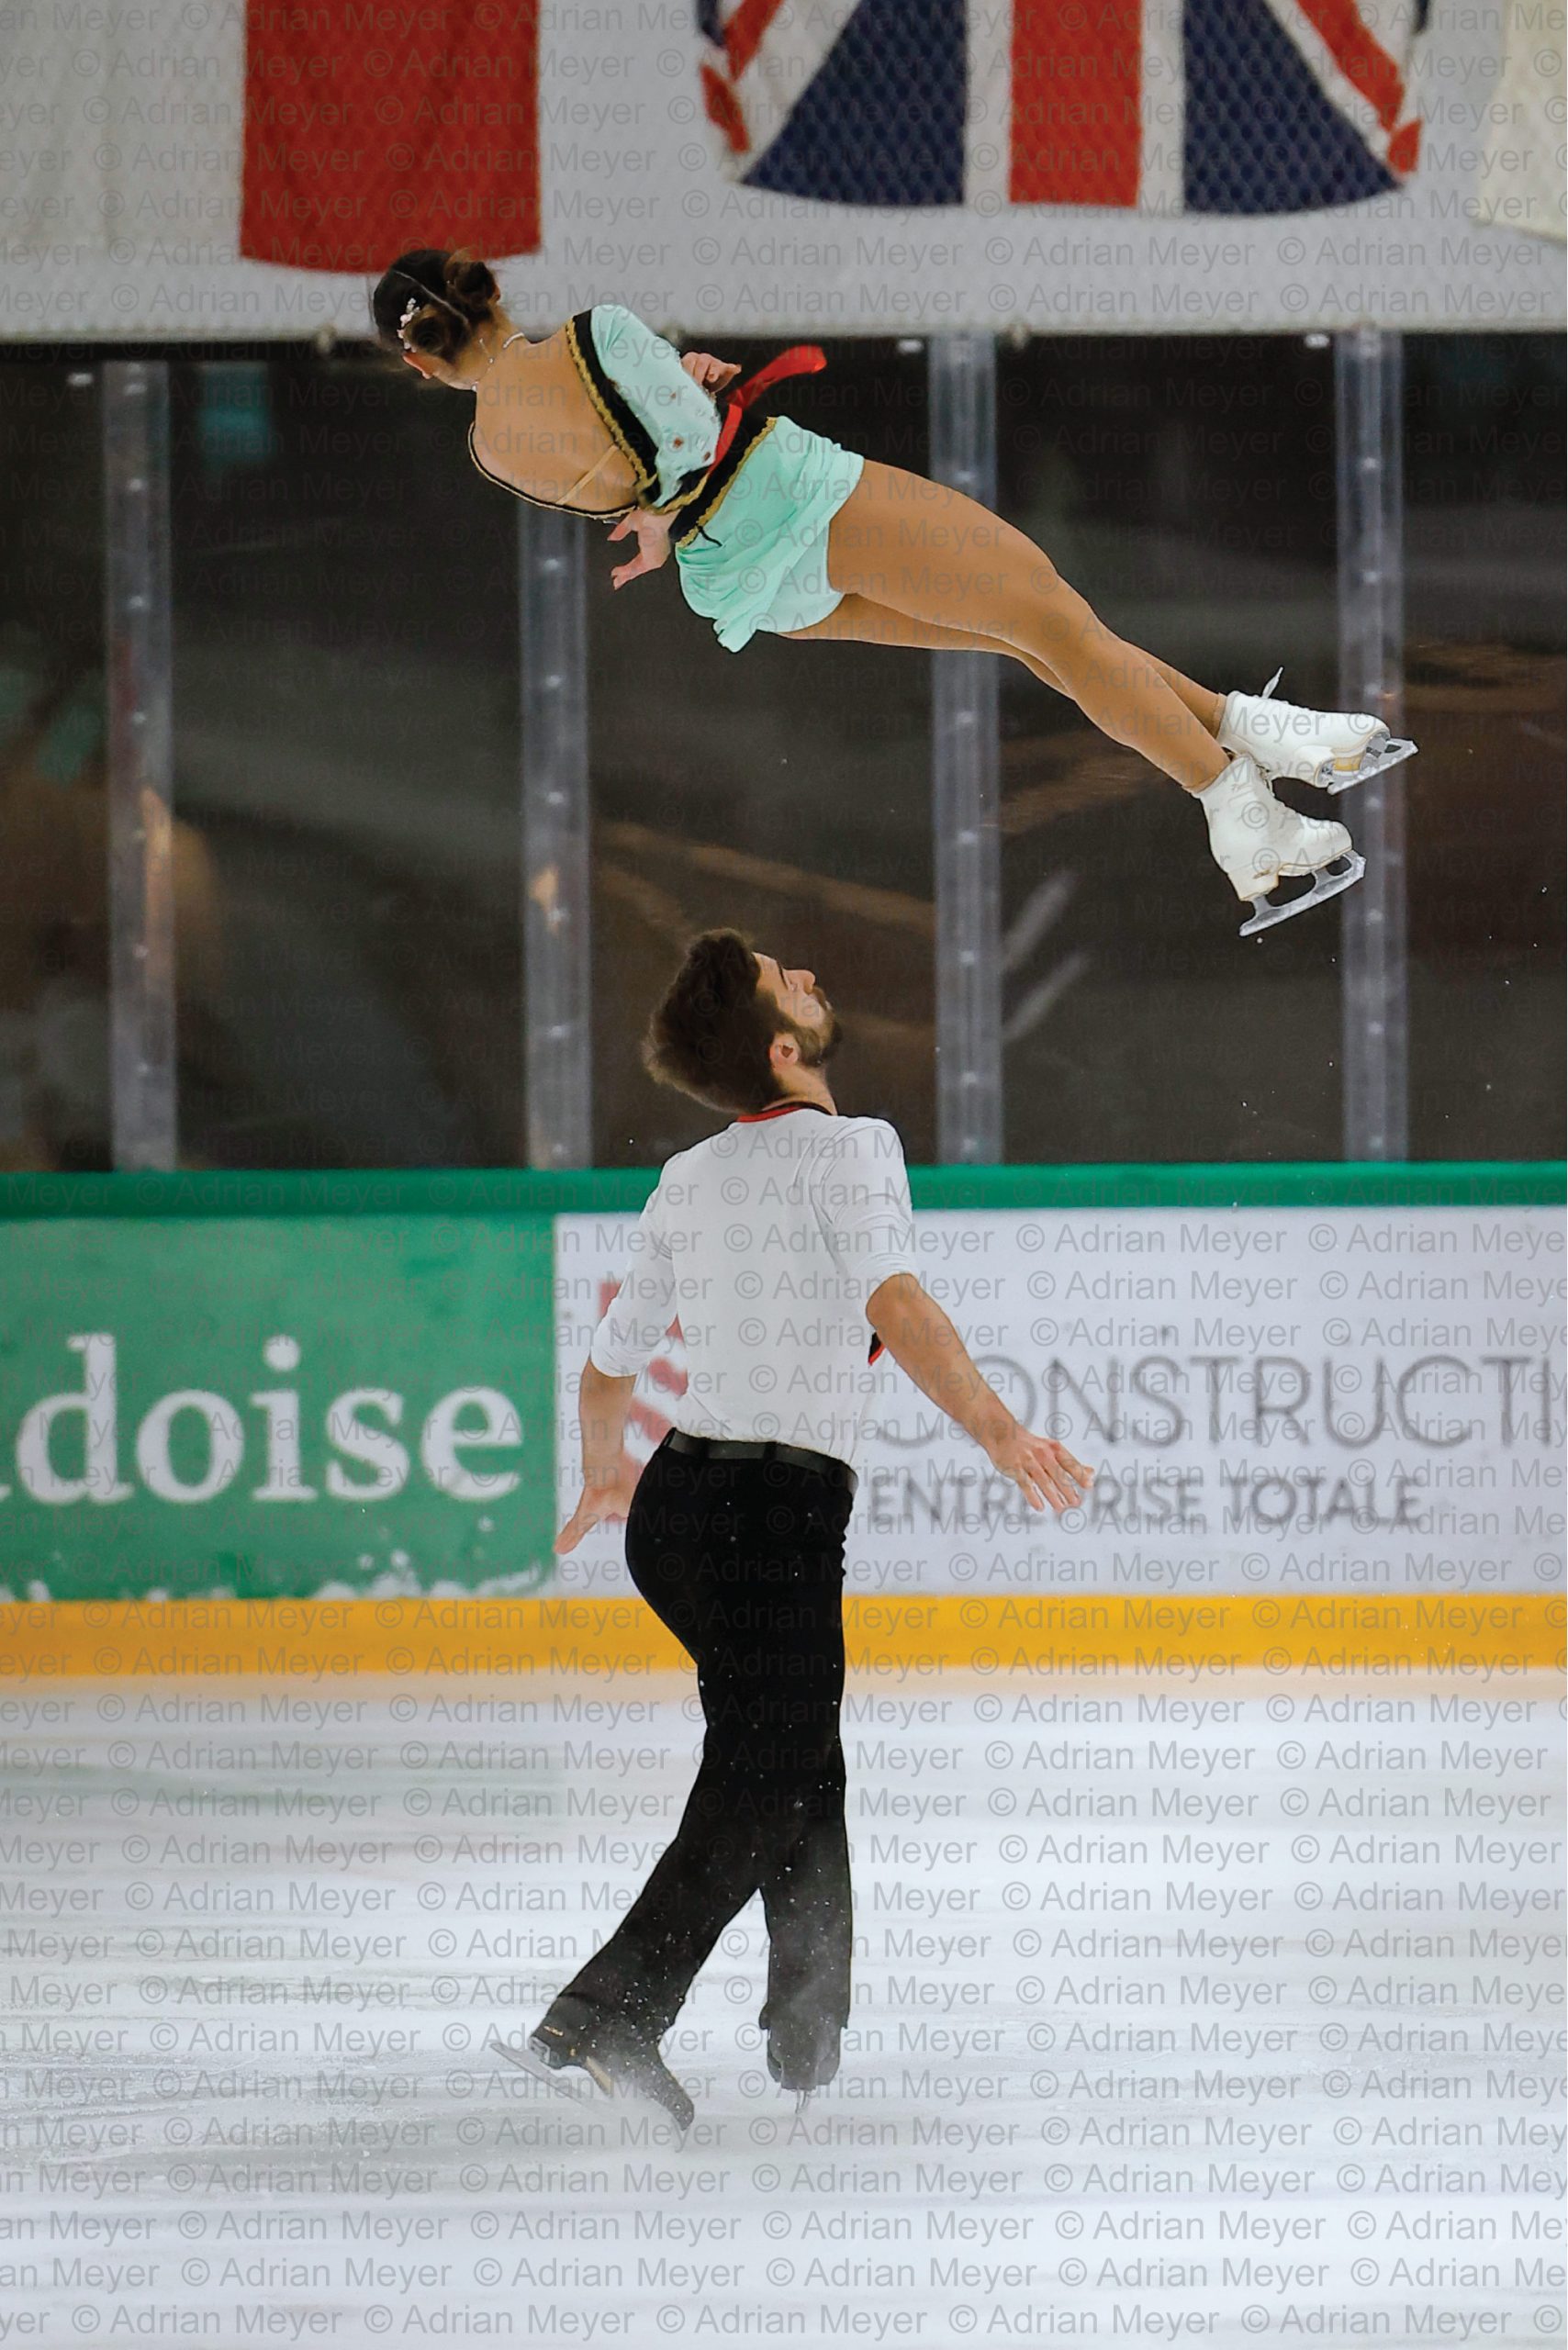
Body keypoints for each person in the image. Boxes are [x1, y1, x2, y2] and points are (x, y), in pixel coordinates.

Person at [490, 930, 1093, 2130]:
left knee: (795, 1759)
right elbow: (899, 1304)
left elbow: (610, 1369)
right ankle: (613, 2011)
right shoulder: (857, 1151)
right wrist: (998, 1429)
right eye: (788, 979)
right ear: (782, 1045)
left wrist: (606, 1476)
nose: (812, 972)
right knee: (769, 1768)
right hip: (774, 1516)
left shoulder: (691, 1176)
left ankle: (805, 2024)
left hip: (677, 1515)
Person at [370, 248, 1417, 938]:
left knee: (1032, 640)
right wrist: (690, 383)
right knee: (1049, 613)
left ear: (420, 364)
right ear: (492, 290)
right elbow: (681, 441)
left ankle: (1264, 735)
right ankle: (1238, 815)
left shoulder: (488, 448)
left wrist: (657, 491)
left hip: (730, 571)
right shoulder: (591, 334)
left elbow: (636, 481)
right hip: (787, 495)